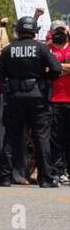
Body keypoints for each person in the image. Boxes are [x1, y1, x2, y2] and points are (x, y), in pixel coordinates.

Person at [0, 15, 61, 188]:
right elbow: (56, 69)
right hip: (38, 97)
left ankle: (4, 177)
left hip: (15, 98)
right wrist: (45, 78)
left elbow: (0, 75)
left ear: (18, 30)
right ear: (34, 31)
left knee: (11, 137)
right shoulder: (41, 48)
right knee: (41, 137)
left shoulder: (8, 50)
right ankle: (45, 179)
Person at [46, 20, 70, 185]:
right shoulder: (47, 50)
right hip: (54, 100)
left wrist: (57, 69)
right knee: (55, 138)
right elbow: (45, 70)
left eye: (62, 30)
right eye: (57, 31)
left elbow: (52, 70)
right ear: (51, 33)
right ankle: (57, 170)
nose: (60, 33)